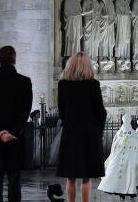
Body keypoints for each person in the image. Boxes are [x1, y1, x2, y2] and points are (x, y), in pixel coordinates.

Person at [0, 46, 33, 202]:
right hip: (15, 139)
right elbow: (25, 110)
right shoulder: (24, 82)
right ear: (14, 60)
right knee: (14, 180)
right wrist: (13, 132)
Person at [57, 51, 107, 202]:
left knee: (70, 177)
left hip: (71, 134)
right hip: (89, 135)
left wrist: (69, 124)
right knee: (86, 177)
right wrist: (99, 131)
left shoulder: (63, 85)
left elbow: (62, 110)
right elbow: (101, 112)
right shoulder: (93, 85)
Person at [98, 114, 138, 199]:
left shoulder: (119, 132)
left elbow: (113, 147)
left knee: (120, 174)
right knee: (128, 174)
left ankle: (122, 193)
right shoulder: (134, 134)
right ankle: (129, 192)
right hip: (129, 158)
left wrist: (113, 156)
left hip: (119, 157)